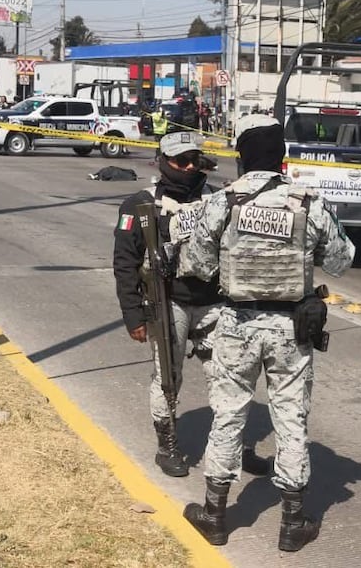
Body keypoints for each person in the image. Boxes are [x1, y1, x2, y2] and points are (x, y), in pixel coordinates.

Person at [179, 114, 355, 553]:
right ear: (283, 156)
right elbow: (341, 260)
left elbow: (196, 265)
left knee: (228, 415)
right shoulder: (309, 202)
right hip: (292, 329)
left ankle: (215, 516)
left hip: (236, 324)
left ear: (241, 157)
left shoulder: (223, 202)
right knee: (291, 419)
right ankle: (293, 522)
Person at [112, 131, 271, 480]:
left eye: (192, 160)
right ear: (162, 162)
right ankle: (167, 445)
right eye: (179, 161)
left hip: (216, 302)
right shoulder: (141, 206)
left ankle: (235, 449)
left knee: (233, 378)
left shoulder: (220, 199)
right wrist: (133, 315)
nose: (187, 167)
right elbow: (125, 263)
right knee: (168, 377)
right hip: (170, 302)